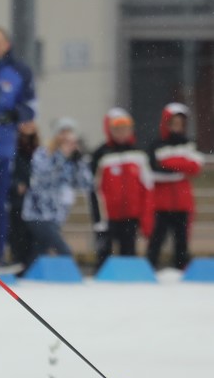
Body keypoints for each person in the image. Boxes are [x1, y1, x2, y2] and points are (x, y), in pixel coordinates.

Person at [0, 26, 37, 263]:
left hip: (3, 147)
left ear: (7, 45)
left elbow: (30, 107)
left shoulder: (20, 71)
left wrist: (8, 117)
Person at [21, 118, 92, 268]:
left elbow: (85, 184)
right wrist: (61, 156)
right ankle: (72, 278)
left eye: (69, 133)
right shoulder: (43, 153)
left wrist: (79, 162)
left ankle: (27, 274)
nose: (66, 138)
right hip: (38, 213)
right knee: (63, 250)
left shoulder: (72, 159)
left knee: (38, 252)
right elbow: (42, 178)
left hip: (57, 215)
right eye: (62, 133)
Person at [89, 108, 154, 268]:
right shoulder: (100, 154)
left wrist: (145, 217)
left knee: (129, 257)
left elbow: (148, 186)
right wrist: (98, 218)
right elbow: (92, 188)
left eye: (125, 128)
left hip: (131, 216)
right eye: (117, 129)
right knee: (104, 257)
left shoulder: (139, 153)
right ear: (109, 129)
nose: (122, 132)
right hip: (107, 217)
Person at [146, 103, 203, 271]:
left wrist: (169, 165)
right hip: (161, 204)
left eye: (180, 123)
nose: (177, 126)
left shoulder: (188, 144)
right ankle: (150, 269)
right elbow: (154, 170)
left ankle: (181, 271)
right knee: (156, 240)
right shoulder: (156, 144)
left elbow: (195, 167)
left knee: (182, 241)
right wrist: (180, 167)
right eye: (174, 122)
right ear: (166, 123)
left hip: (182, 203)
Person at [8, 120, 39, 269]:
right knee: (17, 231)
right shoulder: (12, 146)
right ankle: (19, 261)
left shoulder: (38, 149)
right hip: (17, 199)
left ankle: (30, 264)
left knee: (32, 234)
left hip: (35, 200)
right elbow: (5, 171)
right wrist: (15, 184)